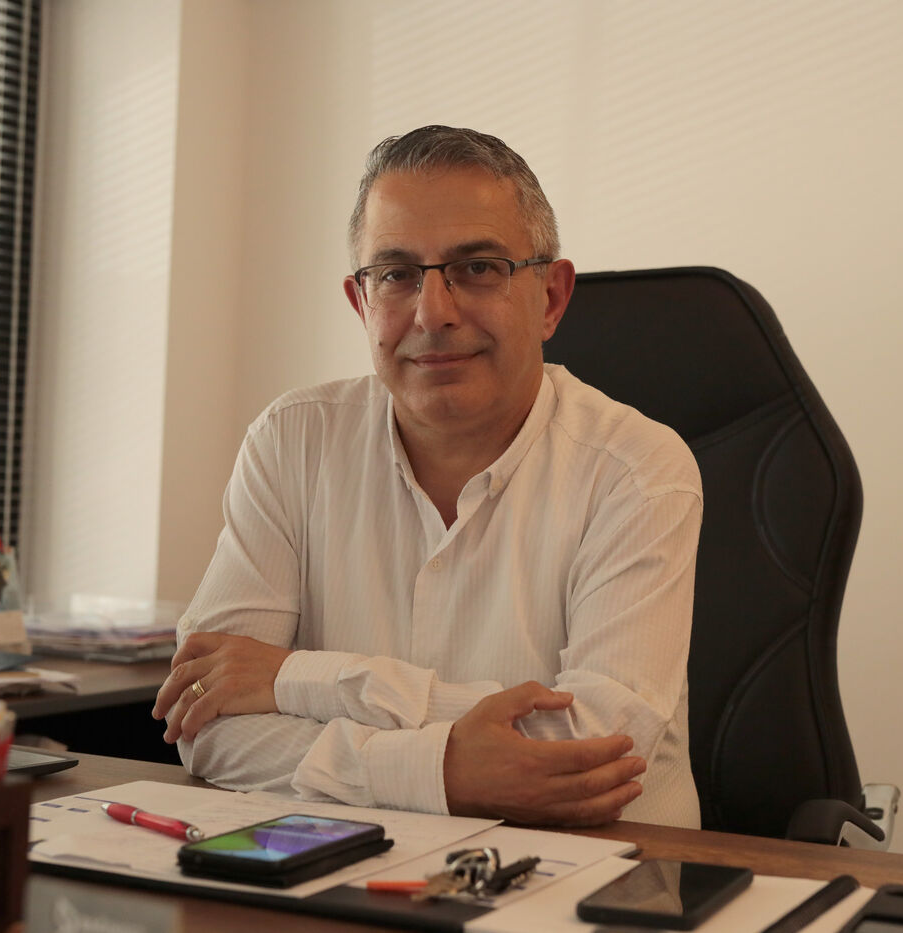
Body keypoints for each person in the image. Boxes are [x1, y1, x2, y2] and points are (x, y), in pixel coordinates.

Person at [151, 126, 703, 828]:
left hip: (602, 873)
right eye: (396, 275)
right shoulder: (292, 442)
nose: (433, 312)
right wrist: (444, 771)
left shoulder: (639, 470)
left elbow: (590, 747)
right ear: (361, 303)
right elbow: (205, 717)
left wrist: (294, 678)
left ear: (551, 298)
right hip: (345, 866)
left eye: (478, 268)